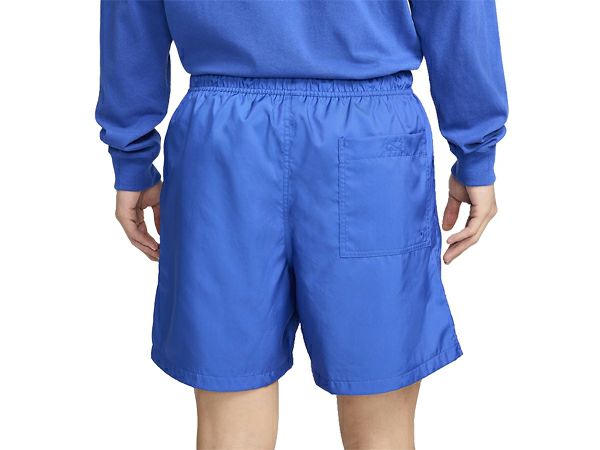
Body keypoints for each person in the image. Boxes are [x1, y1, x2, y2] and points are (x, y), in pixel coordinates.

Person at [95, 0, 508, 448]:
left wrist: (131, 155)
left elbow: (131, 12)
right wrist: (475, 149)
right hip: (369, 134)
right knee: (381, 420)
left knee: (230, 417)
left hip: (223, 141)